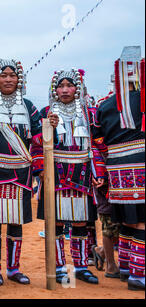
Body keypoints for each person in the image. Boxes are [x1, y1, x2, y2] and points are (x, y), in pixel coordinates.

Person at [31, 68, 106, 285]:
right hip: (56, 172)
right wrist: (42, 170)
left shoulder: (89, 113)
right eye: (60, 86)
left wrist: (98, 171)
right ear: (55, 90)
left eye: (69, 86)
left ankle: (81, 266)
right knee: (55, 223)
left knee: (81, 222)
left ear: (77, 88)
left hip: (82, 171)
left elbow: (97, 143)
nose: (65, 90)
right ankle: (59, 267)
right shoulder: (47, 112)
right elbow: (36, 144)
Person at [0, 59, 42, 285]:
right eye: (4, 75)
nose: (8, 79)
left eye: (12, 75)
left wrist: (50, 125)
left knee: (16, 221)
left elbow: (39, 138)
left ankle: (13, 268)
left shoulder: (29, 106)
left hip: (21, 172)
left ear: (19, 79)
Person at [92, 46, 145, 291]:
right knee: (141, 222)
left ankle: (125, 268)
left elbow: (97, 141)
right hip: (140, 167)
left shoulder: (103, 105)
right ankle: (138, 274)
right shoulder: (141, 99)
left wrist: (103, 168)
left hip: (116, 171)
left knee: (126, 221)